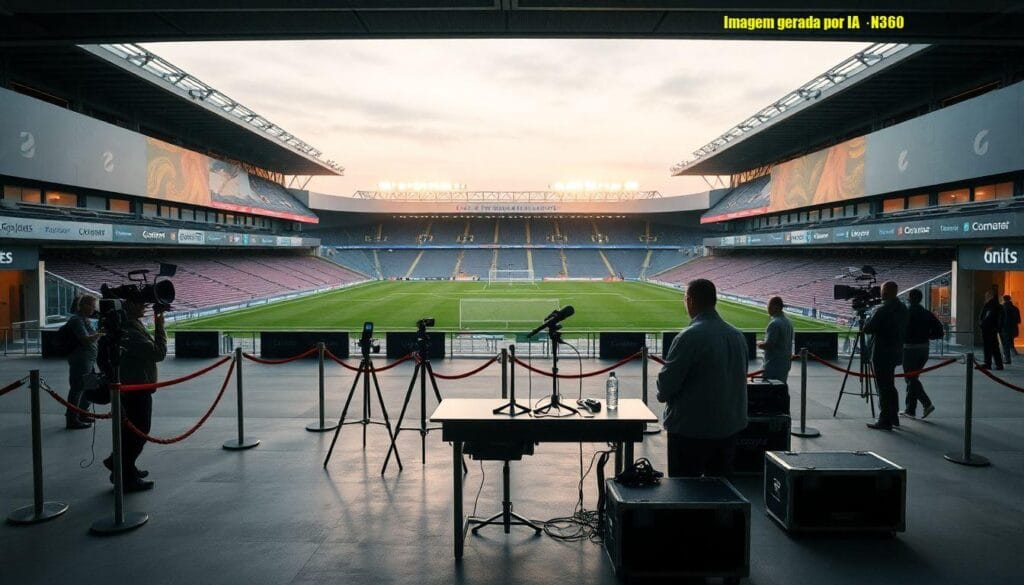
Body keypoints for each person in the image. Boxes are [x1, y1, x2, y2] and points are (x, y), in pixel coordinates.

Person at [657, 278, 748, 477]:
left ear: (690, 300)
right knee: (722, 492)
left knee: (685, 492)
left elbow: (666, 386)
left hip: (690, 430)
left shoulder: (689, 336)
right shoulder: (737, 336)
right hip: (729, 429)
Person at [103, 297, 166, 492]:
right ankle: (126, 475)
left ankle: (121, 465)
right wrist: (159, 325)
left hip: (136, 385)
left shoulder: (131, 325)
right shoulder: (128, 331)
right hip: (136, 388)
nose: (144, 305)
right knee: (138, 432)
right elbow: (158, 353)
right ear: (128, 306)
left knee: (131, 432)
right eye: (140, 303)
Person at [863, 281, 908, 431]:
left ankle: (884, 419)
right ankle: (893, 417)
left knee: (883, 387)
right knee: (890, 386)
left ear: (885, 293)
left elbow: (868, 328)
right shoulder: (902, 307)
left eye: (882, 291)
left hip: (881, 352)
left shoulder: (883, 309)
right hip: (895, 351)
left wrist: (866, 317)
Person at [65, 294, 104, 430]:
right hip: (81, 360)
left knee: (90, 386)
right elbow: (85, 339)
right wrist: (100, 334)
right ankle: (72, 419)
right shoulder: (77, 320)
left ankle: (82, 413)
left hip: (89, 359)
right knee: (77, 388)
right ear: (83, 305)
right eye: (92, 306)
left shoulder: (84, 320)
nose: (94, 309)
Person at [901, 289, 941, 419]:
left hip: (909, 349)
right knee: (913, 379)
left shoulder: (906, 313)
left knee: (910, 378)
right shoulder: (927, 313)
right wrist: (927, 336)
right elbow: (939, 332)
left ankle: (926, 403)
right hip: (924, 349)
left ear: (910, 298)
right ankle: (910, 410)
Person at [757, 296, 794, 382]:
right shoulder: (788, 322)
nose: (767, 309)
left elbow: (769, 345)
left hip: (773, 365)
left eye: (769, 306)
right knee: (780, 390)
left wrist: (758, 344)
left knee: (769, 391)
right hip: (785, 364)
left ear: (775, 307)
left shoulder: (774, 324)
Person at [979, 288, 1004, 370]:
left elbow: (988, 317)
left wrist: (982, 324)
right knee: (994, 347)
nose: (985, 297)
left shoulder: (991, 305)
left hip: (989, 330)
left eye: (986, 295)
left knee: (989, 347)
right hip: (991, 329)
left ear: (990, 295)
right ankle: (998, 364)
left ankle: (988, 363)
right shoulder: (993, 305)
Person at [1000, 295, 1020, 365]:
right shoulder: (1015, 308)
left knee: (1005, 344)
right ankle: (1014, 353)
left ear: (1003, 299)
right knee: (1010, 341)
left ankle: (1007, 359)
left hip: (1004, 329)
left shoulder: (1002, 308)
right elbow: (1018, 320)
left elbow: (1000, 319)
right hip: (1013, 329)